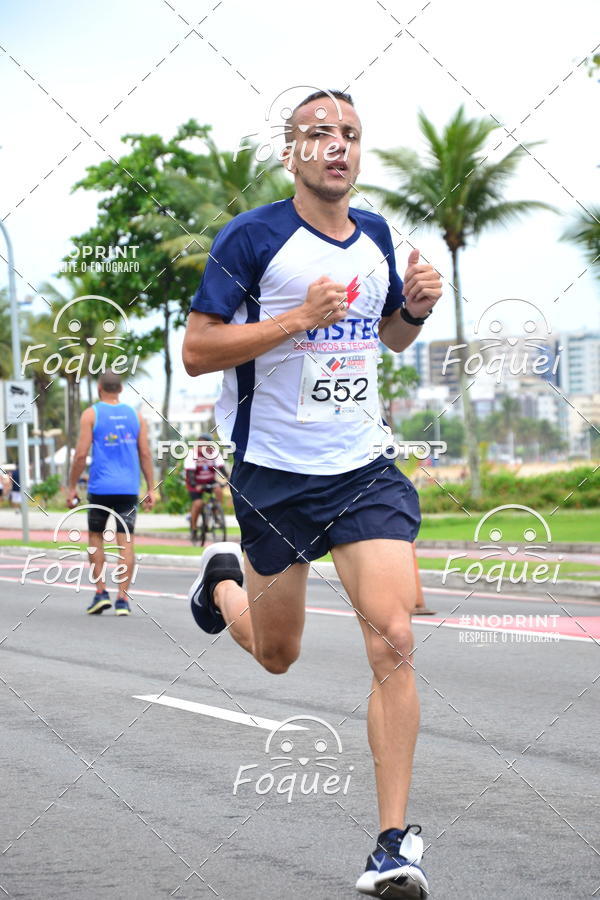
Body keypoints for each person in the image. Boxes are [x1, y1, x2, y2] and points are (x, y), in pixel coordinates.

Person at [182, 90, 442, 898]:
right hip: (275, 476)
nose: (337, 146)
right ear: (291, 152)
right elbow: (198, 351)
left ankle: (391, 845)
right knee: (276, 654)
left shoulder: (379, 238)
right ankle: (220, 582)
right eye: (319, 134)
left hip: (362, 465)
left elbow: (386, 337)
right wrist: (295, 318)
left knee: (394, 635)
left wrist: (415, 310)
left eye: (351, 136)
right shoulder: (252, 238)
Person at [67, 370, 156, 616]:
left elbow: (81, 455)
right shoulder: (136, 416)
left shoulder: (91, 414)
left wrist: (72, 486)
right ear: (121, 389)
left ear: (99, 388)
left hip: (100, 489)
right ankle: (123, 600)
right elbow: (146, 453)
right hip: (128, 490)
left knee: (96, 538)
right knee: (125, 542)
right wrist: (151, 488)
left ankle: (100, 593)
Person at [184, 433, 227, 543]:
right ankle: (193, 528)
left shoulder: (214, 453)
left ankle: (217, 514)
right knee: (198, 504)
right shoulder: (192, 454)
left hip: (209, 480)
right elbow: (190, 473)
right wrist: (195, 485)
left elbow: (221, 468)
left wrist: (228, 479)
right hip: (195, 482)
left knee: (218, 489)